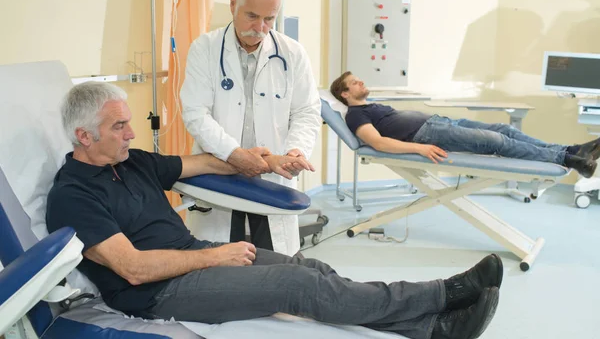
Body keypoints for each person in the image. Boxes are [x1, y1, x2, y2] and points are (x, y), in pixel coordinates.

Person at [47, 81, 501, 339]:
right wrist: (212, 256)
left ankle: (433, 330)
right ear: (84, 137)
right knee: (294, 285)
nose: (131, 133)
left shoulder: (133, 161)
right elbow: (133, 269)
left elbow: (204, 162)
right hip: (156, 294)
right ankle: (443, 294)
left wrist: (260, 159)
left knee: (313, 268)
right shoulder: (72, 195)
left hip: (190, 256)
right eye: (119, 126)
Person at [180, 0, 321, 256]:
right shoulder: (204, 49)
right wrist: (234, 155)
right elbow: (196, 113)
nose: (260, 27)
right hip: (220, 169)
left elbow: (306, 111)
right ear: (233, 4)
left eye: (269, 18)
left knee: (276, 264)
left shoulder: (292, 54)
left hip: (272, 175)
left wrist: (295, 151)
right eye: (252, 16)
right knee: (218, 262)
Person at [330, 72, 600, 178]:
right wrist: (420, 149)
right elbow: (377, 143)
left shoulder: (369, 106)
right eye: (354, 82)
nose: (361, 82)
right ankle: (569, 158)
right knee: (496, 142)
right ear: (344, 94)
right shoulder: (354, 116)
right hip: (427, 134)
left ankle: (574, 150)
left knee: (505, 130)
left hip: (440, 123)